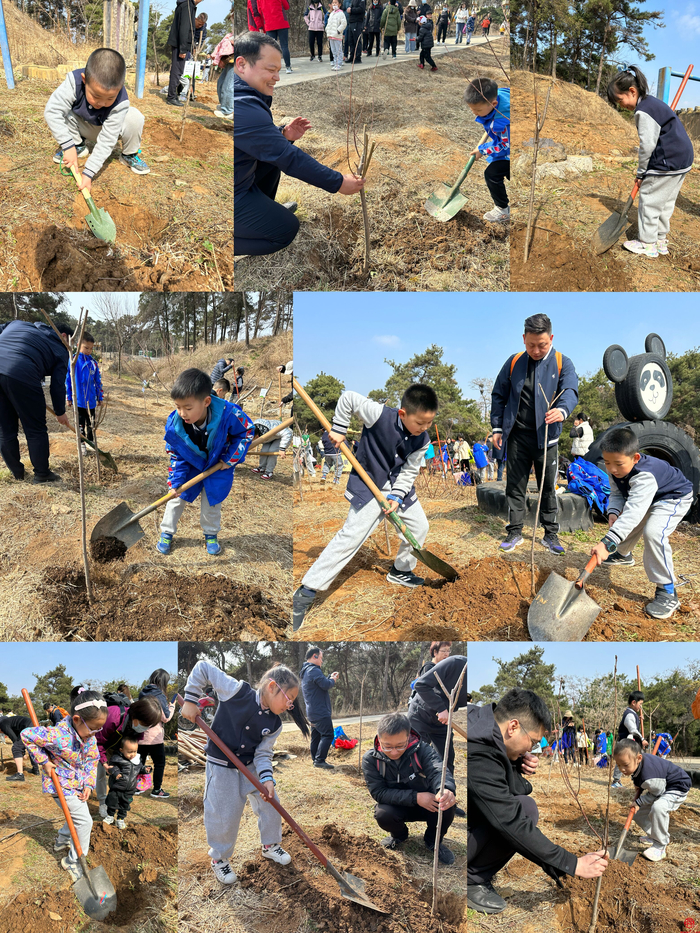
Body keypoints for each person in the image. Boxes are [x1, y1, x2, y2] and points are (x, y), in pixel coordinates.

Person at [292, 384, 438, 629]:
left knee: (420, 526)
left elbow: (410, 470)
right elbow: (348, 398)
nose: (424, 429)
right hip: (371, 483)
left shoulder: (422, 440)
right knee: (351, 536)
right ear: (403, 414)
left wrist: (397, 497)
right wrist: (338, 428)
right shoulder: (380, 415)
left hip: (397, 487)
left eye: (428, 423)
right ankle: (307, 591)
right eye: (420, 423)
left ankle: (401, 570)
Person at [467, 689, 608, 914]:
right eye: (532, 741)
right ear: (513, 727)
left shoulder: (481, 722)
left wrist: (514, 762)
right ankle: (471, 879)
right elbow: (510, 821)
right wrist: (572, 864)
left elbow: (505, 788)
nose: (532, 750)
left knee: (526, 806)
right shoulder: (478, 750)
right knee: (523, 812)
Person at [234, 33, 365, 257]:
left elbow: (259, 142)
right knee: (285, 229)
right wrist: (338, 182)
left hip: (239, 180)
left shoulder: (246, 93)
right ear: (242, 64)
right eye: (270, 69)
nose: (277, 77)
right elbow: (290, 158)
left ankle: (257, 216)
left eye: (279, 71)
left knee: (271, 157)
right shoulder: (241, 105)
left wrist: (282, 134)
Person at [180, 659, 310, 884]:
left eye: (292, 702)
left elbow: (263, 754)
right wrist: (191, 699)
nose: (289, 706)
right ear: (271, 687)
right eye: (288, 699)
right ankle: (219, 859)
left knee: (271, 802)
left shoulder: (275, 724)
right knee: (223, 814)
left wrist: (267, 779)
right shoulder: (235, 691)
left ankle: (270, 845)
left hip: (249, 765)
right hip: (221, 765)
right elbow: (202, 667)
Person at [491, 313, 579, 555]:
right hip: (517, 436)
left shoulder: (562, 362)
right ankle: (515, 532)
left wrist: (562, 410)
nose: (537, 350)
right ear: (523, 339)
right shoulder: (514, 362)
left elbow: (570, 390)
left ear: (551, 338)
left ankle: (550, 535)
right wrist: (497, 428)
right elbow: (499, 395)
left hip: (547, 438)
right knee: (514, 486)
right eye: (531, 345)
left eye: (542, 345)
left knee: (547, 487)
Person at [589, 427, 693, 620]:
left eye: (618, 464)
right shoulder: (615, 468)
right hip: (651, 497)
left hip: (673, 497)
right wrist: (613, 511)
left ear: (635, 458)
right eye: (607, 462)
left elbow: (634, 512)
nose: (611, 469)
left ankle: (667, 590)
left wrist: (606, 543)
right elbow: (618, 494)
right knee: (625, 518)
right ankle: (622, 555)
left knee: (653, 531)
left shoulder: (644, 476)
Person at [156, 368, 255, 556]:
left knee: (212, 502)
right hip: (190, 463)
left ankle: (210, 534)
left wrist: (230, 458)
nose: (182, 413)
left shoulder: (228, 413)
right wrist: (175, 483)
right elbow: (177, 456)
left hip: (218, 465)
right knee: (176, 498)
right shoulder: (174, 425)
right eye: (178, 406)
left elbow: (247, 432)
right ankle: (166, 532)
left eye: (188, 408)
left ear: (206, 402)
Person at [21, 687, 108, 882]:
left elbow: (92, 760)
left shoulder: (89, 737)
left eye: (99, 729)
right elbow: (27, 735)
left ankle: (61, 840)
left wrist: (88, 784)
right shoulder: (58, 735)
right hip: (60, 784)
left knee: (76, 818)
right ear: (77, 720)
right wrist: (44, 762)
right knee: (85, 821)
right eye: (93, 728)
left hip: (77, 785)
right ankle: (73, 861)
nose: (95, 733)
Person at [607, 66, 694, 258]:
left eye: (620, 100)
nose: (621, 106)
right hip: (683, 158)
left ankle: (647, 243)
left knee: (649, 199)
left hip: (668, 160)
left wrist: (641, 174)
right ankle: (661, 240)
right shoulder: (652, 103)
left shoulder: (643, 111)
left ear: (632, 91)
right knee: (665, 201)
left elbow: (647, 146)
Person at [363, 712, 457, 864]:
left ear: (408, 737)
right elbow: (379, 792)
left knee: (446, 805)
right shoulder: (371, 759)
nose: (394, 752)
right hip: (398, 807)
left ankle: (433, 841)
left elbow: (438, 770)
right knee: (383, 814)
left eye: (400, 746)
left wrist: (445, 788)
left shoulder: (422, 750)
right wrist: (416, 797)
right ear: (379, 739)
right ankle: (399, 836)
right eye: (387, 747)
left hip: (429, 804)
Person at [45, 47, 149, 182]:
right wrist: (68, 146)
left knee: (135, 116)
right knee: (63, 110)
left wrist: (88, 173)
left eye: (110, 98)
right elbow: (52, 111)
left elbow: (107, 140)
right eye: (96, 96)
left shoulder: (121, 101)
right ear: (84, 80)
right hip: (82, 126)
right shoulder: (73, 82)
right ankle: (77, 146)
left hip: (105, 131)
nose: (102, 103)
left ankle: (129, 154)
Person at [0, 319, 72, 483]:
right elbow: (57, 386)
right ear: (63, 336)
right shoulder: (61, 350)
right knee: (35, 428)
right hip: (22, 371)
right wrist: (60, 412)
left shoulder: (19, 324)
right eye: (71, 343)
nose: (71, 347)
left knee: (5, 427)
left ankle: (17, 474)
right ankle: (42, 474)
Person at [408, 655, 468, 818]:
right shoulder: (456, 663)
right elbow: (421, 684)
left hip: (442, 722)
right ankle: (411, 799)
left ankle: (447, 802)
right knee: (414, 757)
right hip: (420, 714)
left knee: (446, 759)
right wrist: (441, 708)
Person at [613, 738, 691, 862]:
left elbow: (657, 793)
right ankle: (654, 835)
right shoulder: (639, 764)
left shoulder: (649, 777)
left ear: (638, 758)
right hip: (661, 785)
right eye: (618, 765)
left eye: (625, 765)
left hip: (677, 786)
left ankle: (660, 845)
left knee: (658, 807)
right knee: (638, 813)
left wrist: (639, 801)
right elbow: (643, 780)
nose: (622, 769)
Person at [94, 692, 163, 818]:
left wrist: (139, 766)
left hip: (121, 748)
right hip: (102, 744)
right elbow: (98, 742)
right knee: (101, 774)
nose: (145, 728)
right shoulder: (113, 716)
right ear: (136, 717)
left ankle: (116, 802)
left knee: (119, 775)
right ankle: (103, 802)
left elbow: (136, 745)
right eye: (146, 725)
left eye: (149, 726)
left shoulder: (138, 728)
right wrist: (104, 762)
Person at [464, 76, 510, 223]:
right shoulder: (498, 95)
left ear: (494, 104)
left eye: (477, 110)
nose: (474, 113)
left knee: (492, 174)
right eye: (471, 109)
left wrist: (482, 150)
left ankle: (503, 210)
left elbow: (505, 145)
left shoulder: (503, 120)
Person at [137, 670, 176, 800]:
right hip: (154, 737)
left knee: (139, 762)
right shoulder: (159, 695)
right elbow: (165, 718)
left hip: (140, 735)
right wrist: (172, 707)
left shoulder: (142, 693)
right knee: (159, 763)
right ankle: (157, 789)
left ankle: (137, 787)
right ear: (163, 681)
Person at [299, 646, 339, 769]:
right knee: (328, 735)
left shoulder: (306, 671)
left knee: (316, 736)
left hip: (312, 711)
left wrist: (328, 678)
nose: (322, 661)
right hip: (320, 711)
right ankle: (320, 760)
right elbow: (326, 685)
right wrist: (333, 679)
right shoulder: (314, 670)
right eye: (321, 658)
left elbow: (320, 684)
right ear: (314, 656)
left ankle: (315, 759)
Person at [65, 330, 103, 455]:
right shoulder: (73, 361)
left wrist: (99, 396)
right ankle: (81, 444)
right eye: (86, 348)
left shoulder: (93, 363)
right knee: (80, 424)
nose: (89, 351)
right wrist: (69, 396)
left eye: (91, 349)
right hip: (79, 400)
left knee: (91, 423)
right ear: (78, 345)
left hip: (91, 401)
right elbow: (69, 381)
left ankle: (91, 442)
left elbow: (97, 381)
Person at [104, 735, 149, 828]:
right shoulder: (117, 759)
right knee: (112, 802)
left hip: (129, 789)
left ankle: (120, 819)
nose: (133, 754)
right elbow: (112, 767)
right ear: (121, 750)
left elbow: (139, 768)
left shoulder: (136, 760)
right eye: (129, 752)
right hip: (117, 786)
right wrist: (116, 772)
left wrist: (145, 769)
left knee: (125, 805)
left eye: (135, 751)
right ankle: (110, 816)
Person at [167, 0, 206, 106]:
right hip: (180, 45)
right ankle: (171, 97)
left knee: (178, 70)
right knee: (177, 71)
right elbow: (184, 29)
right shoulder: (187, 6)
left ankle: (174, 94)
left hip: (182, 45)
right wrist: (183, 49)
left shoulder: (189, 6)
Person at [611, 690, 648, 787]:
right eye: (640, 704)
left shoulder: (632, 714)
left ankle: (639, 779)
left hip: (629, 743)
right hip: (625, 743)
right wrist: (642, 739)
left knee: (636, 760)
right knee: (621, 760)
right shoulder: (629, 714)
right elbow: (633, 729)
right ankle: (616, 781)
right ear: (633, 702)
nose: (641, 707)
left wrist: (638, 719)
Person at [1, 713, 40, 780]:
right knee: (30, 747)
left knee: (16, 748)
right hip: (34, 725)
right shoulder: (11, 722)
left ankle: (20, 774)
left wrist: (20, 753)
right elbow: (18, 739)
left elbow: (14, 738)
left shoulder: (3, 724)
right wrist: (23, 752)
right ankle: (35, 770)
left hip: (28, 727)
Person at [260, 0, 293, 72]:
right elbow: (287, 7)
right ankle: (288, 67)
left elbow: (260, 11)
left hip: (269, 25)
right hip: (281, 23)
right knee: (284, 46)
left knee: (271, 48)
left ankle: (272, 68)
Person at [212, 31, 235, 119]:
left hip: (236, 59)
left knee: (228, 85)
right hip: (229, 60)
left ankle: (227, 111)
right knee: (221, 83)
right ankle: (224, 105)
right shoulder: (230, 33)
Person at [326, 0, 347, 69]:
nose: (334, 4)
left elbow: (344, 23)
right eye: (333, 3)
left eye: (336, 3)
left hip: (337, 36)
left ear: (339, 4)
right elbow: (329, 24)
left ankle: (339, 64)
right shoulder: (331, 13)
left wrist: (338, 30)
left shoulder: (341, 13)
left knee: (338, 51)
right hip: (331, 36)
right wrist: (327, 30)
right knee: (333, 51)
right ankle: (335, 63)